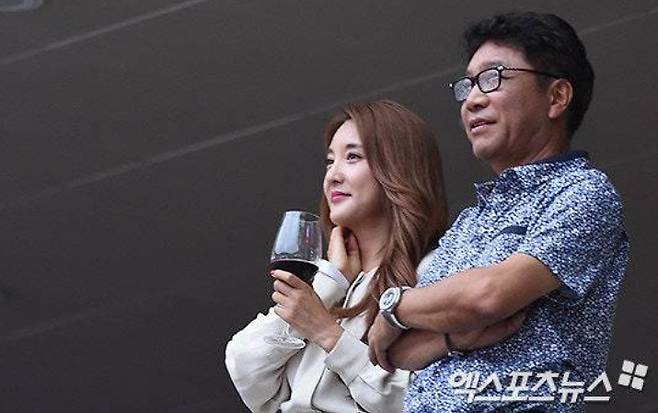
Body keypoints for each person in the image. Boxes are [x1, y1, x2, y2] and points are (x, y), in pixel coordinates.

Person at [367, 12, 629, 413]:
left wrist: (394, 307)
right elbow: (397, 353)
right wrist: (456, 336)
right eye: (468, 84)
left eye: (493, 77)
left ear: (557, 97)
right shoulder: (470, 221)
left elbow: (487, 296)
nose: (473, 99)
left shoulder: (583, 192)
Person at [224, 100, 524, 413]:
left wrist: (329, 335)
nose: (333, 175)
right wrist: (330, 282)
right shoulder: (331, 286)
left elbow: (426, 401)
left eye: (353, 157)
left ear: (398, 168)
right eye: (330, 161)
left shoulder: (435, 274)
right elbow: (245, 373)